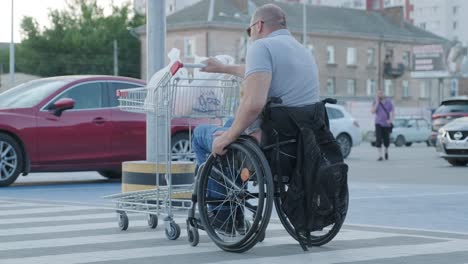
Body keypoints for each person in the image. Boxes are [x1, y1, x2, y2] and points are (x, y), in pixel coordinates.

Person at [191, 3, 335, 235]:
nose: (250, 37)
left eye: (249, 31)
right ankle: (231, 210)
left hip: (267, 143)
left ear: (258, 25)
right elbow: (255, 70)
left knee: (202, 136)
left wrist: (228, 136)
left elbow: (254, 104)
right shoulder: (302, 51)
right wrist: (224, 68)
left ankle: (224, 216)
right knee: (229, 132)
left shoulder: (262, 47)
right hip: (297, 147)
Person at [371, 88, 394, 161]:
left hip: (386, 124)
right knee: (378, 139)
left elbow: (392, 112)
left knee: (386, 140)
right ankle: (380, 155)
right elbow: (372, 111)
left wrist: (390, 120)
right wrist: (377, 102)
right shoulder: (375, 101)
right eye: (378, 94)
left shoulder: (388, 102)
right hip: (378, 123)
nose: (379, 95)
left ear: (383, 94)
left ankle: (386, 151)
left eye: (381, 93)